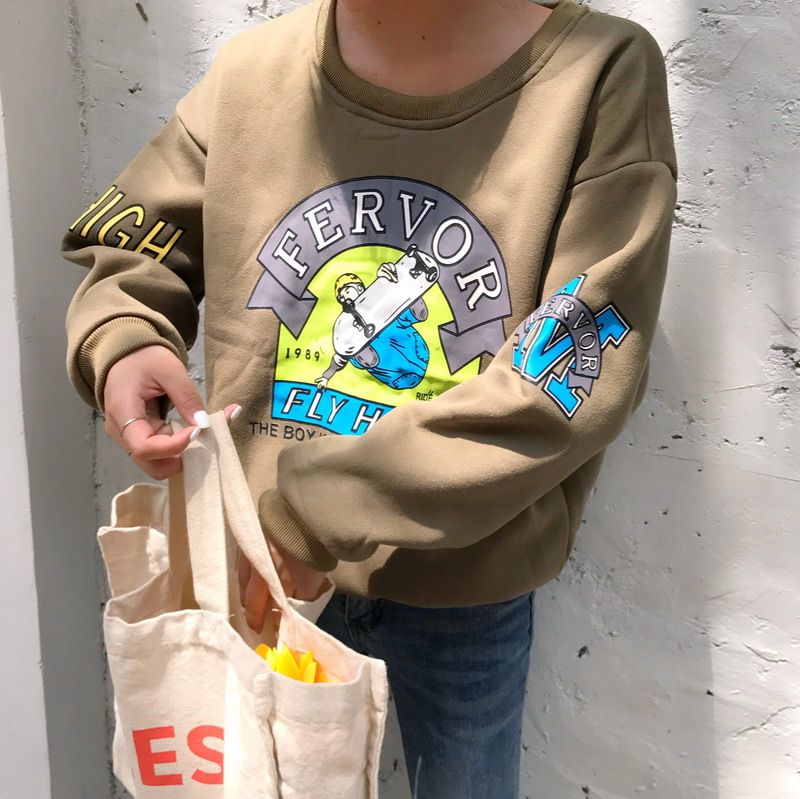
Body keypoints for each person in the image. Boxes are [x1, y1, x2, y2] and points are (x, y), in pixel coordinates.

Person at [62, 0, 677, 796]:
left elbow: (567, 379)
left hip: (458, 580)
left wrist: (311, 511)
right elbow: (135, 243)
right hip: (261, 572)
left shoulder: (597, 76)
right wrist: (125, 336)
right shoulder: (254, 74)